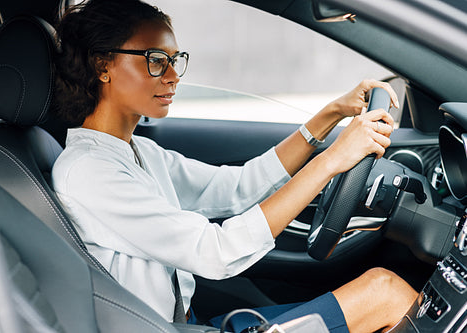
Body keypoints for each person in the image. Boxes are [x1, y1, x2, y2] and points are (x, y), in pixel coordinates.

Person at [51, 0, 418, 332]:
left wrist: (329, 116)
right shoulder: (89, 173)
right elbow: (216, 252)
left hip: (189, 325)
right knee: (384, 293)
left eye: (175, 60)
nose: (173, 75)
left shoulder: (137, 152)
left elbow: (238, 188)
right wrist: (332, 161)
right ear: (103, 65)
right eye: (155, 60)